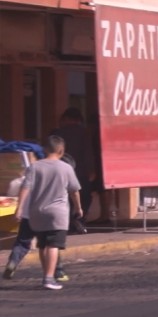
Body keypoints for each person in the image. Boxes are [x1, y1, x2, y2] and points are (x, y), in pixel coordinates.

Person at [14, 135, 81, 290]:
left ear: (44, 150)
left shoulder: (34, 167)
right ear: (61, 150)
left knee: (42, 245)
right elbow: (74, 191)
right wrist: (78, 208)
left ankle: (46, 275)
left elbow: (25, 188)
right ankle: (49, 279)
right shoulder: (66, 168)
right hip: (57, 214)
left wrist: (19, 208)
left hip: (36, 213)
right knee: (53, 245)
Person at [51, 107, 94, 230]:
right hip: (81, 171)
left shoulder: (57, 133)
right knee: (84, 196)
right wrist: (91, 170)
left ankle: (68, 222)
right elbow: (88, 152)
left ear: (65, 119)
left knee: (65, 197)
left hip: (60, 170)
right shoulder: (84, 132)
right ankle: (79, 219)